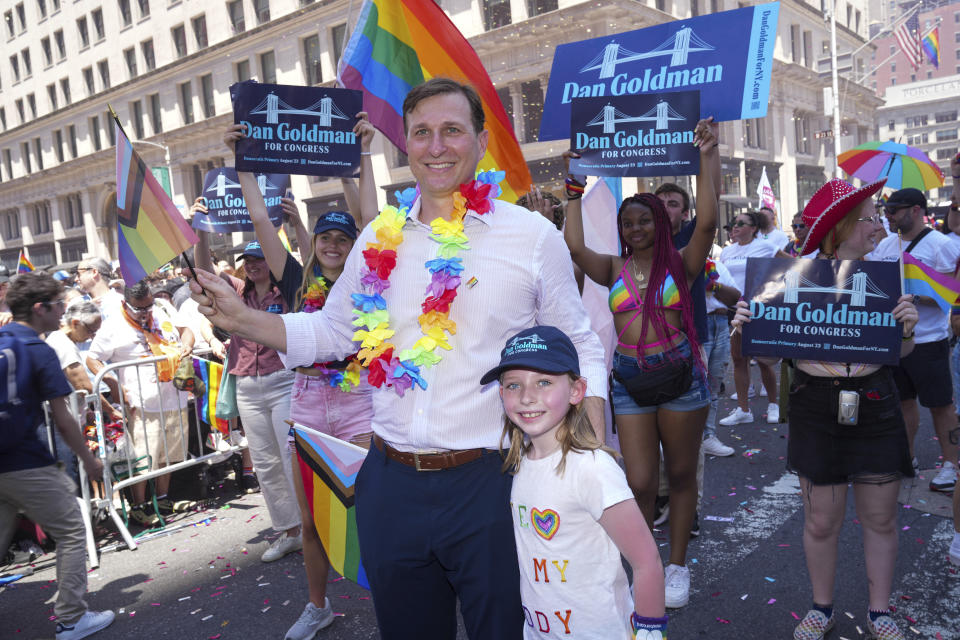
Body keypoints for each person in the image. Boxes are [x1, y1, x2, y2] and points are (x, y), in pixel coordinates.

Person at [189, 77, 606, 640]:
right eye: (422, 133)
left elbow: (578, 343)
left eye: (452, 130)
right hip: (389, 480)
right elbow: (334, 330)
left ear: (480, 141)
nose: (437, 146)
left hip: (492, 481)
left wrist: (592, 454)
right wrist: (241, 319)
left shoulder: (531, 236)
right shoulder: (379, 238)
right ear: (405, 145)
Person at [214, 112, 379, 637]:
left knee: (373, 511)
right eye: (325, 237)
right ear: (315, 245)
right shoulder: (294, 279)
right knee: (312, 520)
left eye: (342, 238)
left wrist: (361, 159)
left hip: (359, 403)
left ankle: (397, 600)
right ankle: (317, 605)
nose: (333, 243)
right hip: (306, 403)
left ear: (354, 248)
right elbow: (262, 222)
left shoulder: (370, 280)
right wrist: (244, 166)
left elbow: (374, 220)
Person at [733, 177, 918, 640]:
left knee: (880, 517)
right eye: (872, 217)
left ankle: (879, 612)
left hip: (875, 400)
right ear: (846, 226)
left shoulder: (885, 274)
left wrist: (908, 329)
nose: (879, 225)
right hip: (815, 405)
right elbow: (771, 358)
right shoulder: (789, 279)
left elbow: (904, 354)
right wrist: (747, 327)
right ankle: (821, 607)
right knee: (820, 519)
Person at [563, 117, 718, 608]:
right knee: (640, 481)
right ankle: (646, 561)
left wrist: (708, 156)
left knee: (684, 474)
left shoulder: (682, 264)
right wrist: (572, 188)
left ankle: (676, 568)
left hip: (680, 382)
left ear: (662, 221)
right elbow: (573, 245)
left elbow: (710, 221)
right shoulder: (612, 269)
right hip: (629, 383)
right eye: (628, 222)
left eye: (644, 220)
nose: (635, 228)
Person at [483, 326, 666, 639]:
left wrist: (651, 634)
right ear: (501, 394)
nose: (527, 397)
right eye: (514, 385)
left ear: (576, 390)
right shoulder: (519, 463)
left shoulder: (593, 469)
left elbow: (647, 562)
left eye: (544, 382)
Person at [0, 272, 115, 640]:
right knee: (71, 529)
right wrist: (89, 459)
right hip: (25, 461)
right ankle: (71, 619)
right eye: (58, 304)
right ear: (39, 309)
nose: (63, 311)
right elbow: (63, 417)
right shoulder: (40, 349)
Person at [870, 187, 960, 492]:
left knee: (941, 405)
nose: (889, 215)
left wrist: (917, 297)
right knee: (901, 402)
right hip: (895, 340)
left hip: (929, 340)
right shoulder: (884, 246)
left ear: (917, 210)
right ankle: (906, 457)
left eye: (895, 209)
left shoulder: (940, 245)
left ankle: (952, 464)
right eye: (887, 210)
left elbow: (952, 293)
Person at [86, 279, 194, 528]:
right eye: (140, 309)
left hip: (174, 394)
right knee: (145, 458)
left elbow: (185, 330)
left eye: (148, 306)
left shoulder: (162, 309)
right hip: (141, 402)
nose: (146, 312)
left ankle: (164, 498)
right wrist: (113, 383)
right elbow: (93, 359)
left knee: (169, 453)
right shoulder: (113, 326)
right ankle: (140, 505)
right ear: (126, 303)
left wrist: (186, 345)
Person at [718, 210, 781, 425]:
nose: (735, 227)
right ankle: (743, 410)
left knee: (764, 361)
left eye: (741, 224)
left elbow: (792, 265)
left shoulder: (765, 246)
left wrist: (775, 292)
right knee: (739, 359)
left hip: (759, 309)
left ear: (753, 228)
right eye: (734, 223)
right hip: (735, 310)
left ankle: (774, 405)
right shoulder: (727, 252)